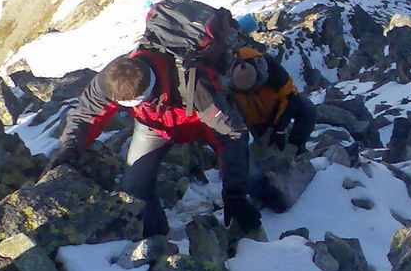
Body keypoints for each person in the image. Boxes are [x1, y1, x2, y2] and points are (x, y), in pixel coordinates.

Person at [47, 47, 261, 239]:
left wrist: (235, 194)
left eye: (141, 101)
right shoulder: (111, 80)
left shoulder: (193, 83)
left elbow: (230, 135)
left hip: (203, 121)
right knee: (134, 186)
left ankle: (272, 200)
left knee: (248, 173)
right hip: (155, 125)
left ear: (150, 87)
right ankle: (156, 240)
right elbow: (86, 117)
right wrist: (70, 147)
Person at [229, 46, 316, 156]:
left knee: (307, 109)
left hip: (275, 112)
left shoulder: (272, 68)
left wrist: (279, 128)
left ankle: (296, 148)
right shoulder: (224, 75)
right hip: (250, 123)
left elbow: (289, 98)